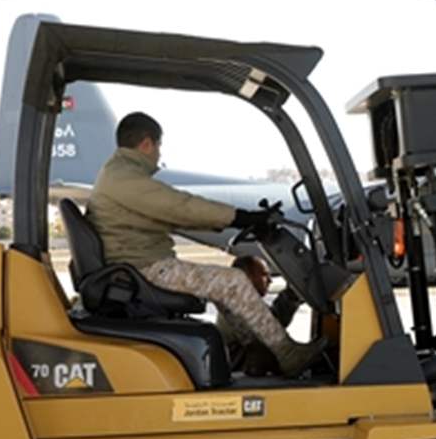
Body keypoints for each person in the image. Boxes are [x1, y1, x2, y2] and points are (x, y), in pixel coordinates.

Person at [86, 112, 325, 376]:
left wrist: (236, 221)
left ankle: (257, 349)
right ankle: (288, 354)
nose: (158, 154)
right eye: (158, 147)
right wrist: (241, 217)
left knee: (224, 288)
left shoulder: (119, 175)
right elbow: (180, 206)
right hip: (143, 269)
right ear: (147, 144)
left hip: (137, 265)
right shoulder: (124, 179)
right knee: (233, 281)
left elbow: (175, 217)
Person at [218, 255, 304, 376]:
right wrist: (291, 294)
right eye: (264, 275)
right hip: (244, 373)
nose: (270, 280)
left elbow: (274, 318)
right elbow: (272, 326)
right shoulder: (239, 305)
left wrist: (291, 294)